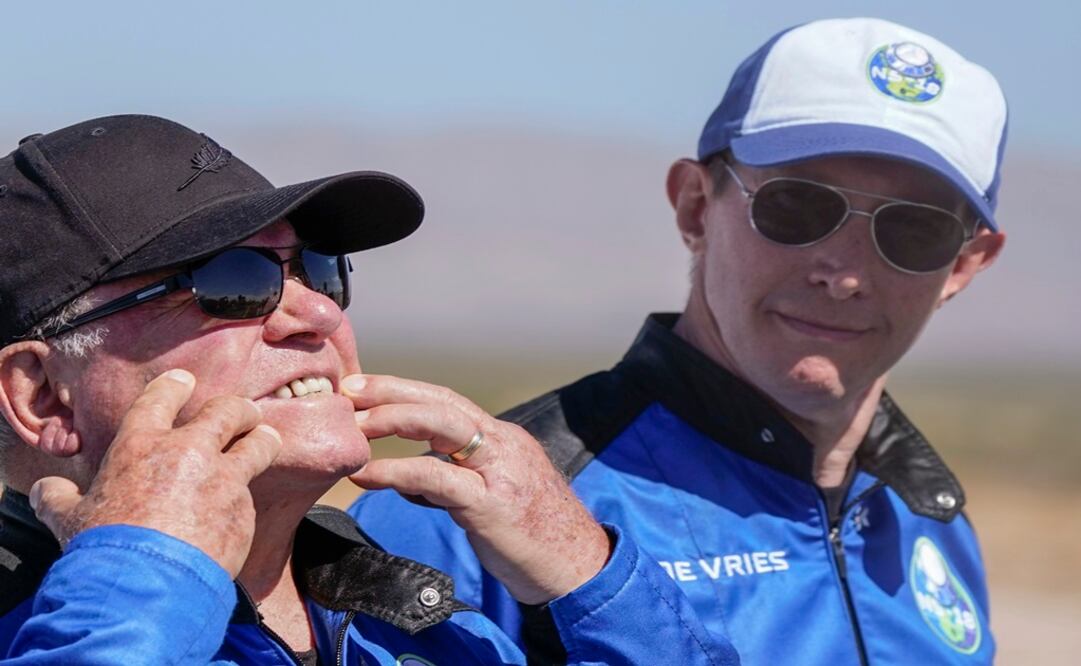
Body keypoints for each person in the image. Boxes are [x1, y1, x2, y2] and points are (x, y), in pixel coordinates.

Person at [352, 17, 1008, 665]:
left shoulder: (925, 519)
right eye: (799, 208)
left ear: (962, 266)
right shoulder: (460, 517)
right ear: (695, 206)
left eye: (912, 232)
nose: (843, 275)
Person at [0, 115, 736, 664]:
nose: (319, 313)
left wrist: (587, 575)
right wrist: (145, 570)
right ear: (42, 396)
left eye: (317, 269)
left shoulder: (422, 620)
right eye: (230, 284)